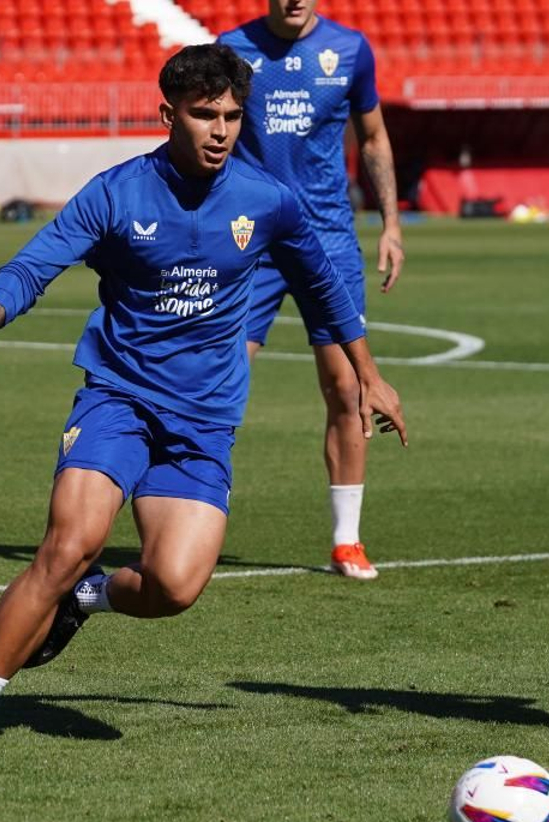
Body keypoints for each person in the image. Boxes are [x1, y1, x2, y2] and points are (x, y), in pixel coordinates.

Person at [0, 44, 408, 761]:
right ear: (167, 115)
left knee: (175, 586)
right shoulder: (118, 192)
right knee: (67, 546)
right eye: (204, 115)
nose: (220, 130)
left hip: (204, 421)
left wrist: (368, 372)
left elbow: (324, 288)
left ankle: (85, 600)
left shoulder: (267, 200)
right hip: (118, 400)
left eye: (233, 117)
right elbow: (34, 265)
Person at [217, 0, 403, 580]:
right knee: (219, 377)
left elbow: (373, 138)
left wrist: (391, 225)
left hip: (327, 237)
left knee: (346, 385)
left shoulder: (350, 49)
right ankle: (189, 515)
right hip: (249, 235)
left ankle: (347, 540)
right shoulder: (229, 49)